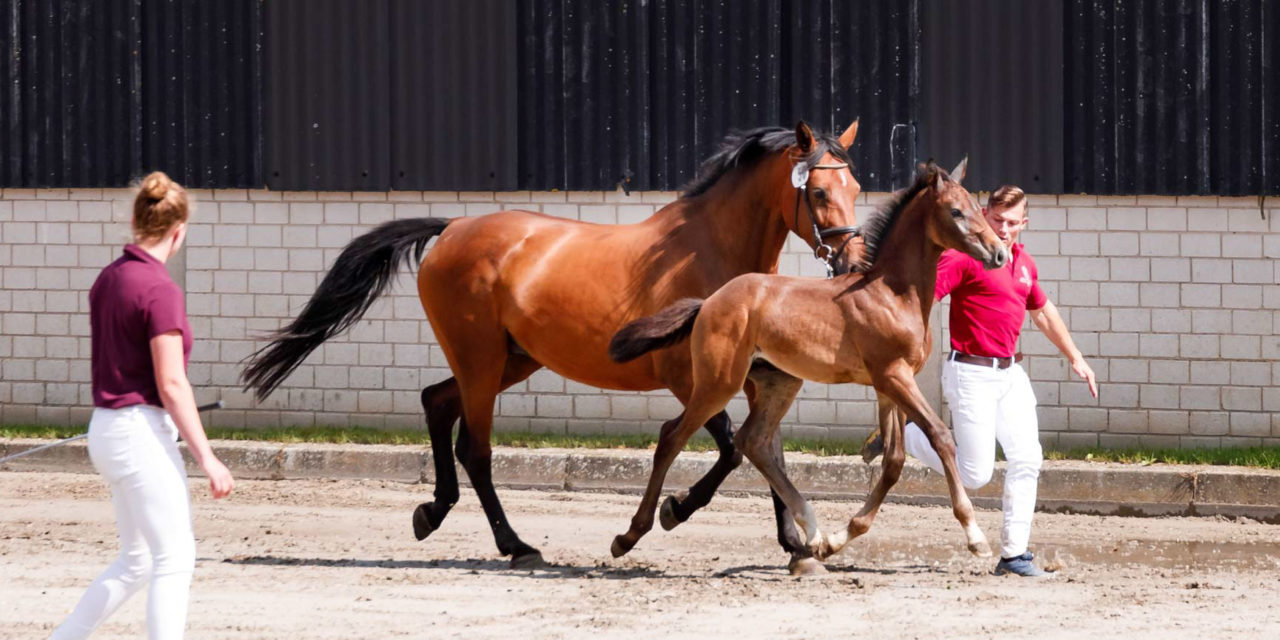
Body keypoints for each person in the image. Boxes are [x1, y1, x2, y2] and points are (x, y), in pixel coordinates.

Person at [861, 185, 1097, 578]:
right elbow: (919, 297)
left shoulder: (1023, 264)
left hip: (1010, 374)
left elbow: (1042, 312)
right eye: (997, 220)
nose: (1003, 229)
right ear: (985, 216)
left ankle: (1014, 556)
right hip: (970, 372)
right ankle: (902, 435)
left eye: (1011, 222)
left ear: (1024, 223)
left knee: (1028, 458)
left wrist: (1076, 358)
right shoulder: (963, 260)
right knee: (974, 474)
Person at [51, 172, 235, 639]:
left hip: (108, 429)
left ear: (135, 221)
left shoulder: (110, 278)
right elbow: (172, 383)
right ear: (179, 232)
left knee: (138, 562)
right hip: (139, 434)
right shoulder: (159, 289)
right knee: (176, 558)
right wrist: (207, 457)